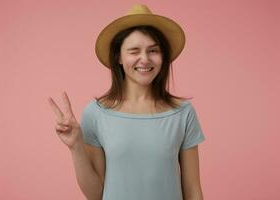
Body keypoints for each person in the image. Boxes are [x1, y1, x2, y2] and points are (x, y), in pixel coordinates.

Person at [48, 4, 206, 200]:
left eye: (153, 50)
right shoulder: (96, 113)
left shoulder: (183, 113)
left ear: (163, 56)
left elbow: (193, 190)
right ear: (119, 57)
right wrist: (76, 146)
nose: (144, 59)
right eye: (134, 51)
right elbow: (96, 194)